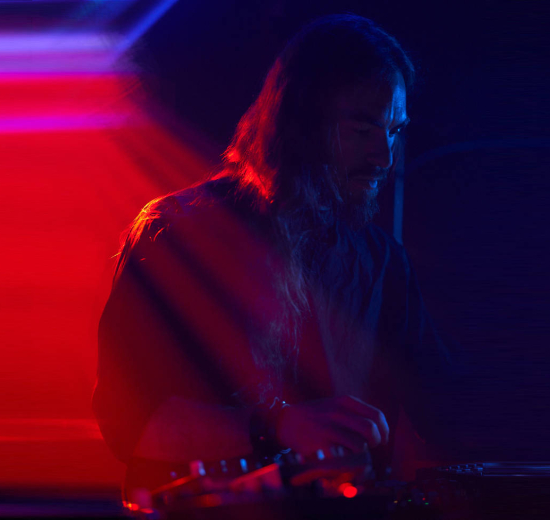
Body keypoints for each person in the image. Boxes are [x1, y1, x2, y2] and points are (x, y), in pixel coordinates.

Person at [92, 14, 455, 487]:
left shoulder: (383, 261)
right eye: (363, 130)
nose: (384, 157)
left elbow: (445, 408)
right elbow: (130, 426)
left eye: (394, 132)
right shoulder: (175, 232)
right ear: (300, 124)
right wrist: (277, 427)